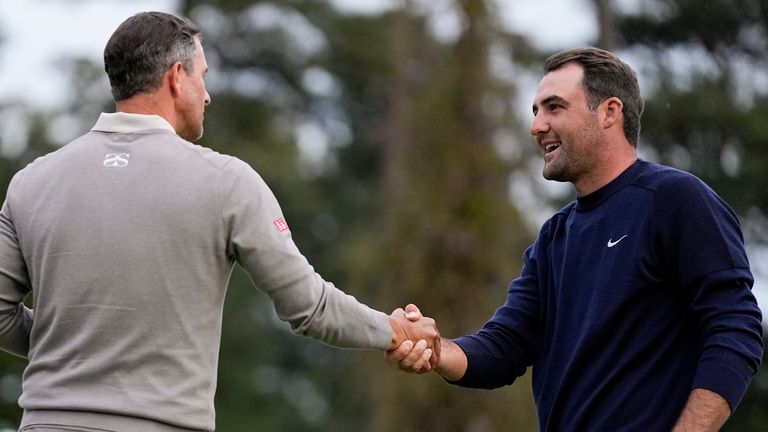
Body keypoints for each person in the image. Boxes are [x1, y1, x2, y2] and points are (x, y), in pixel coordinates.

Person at [0, 11, 440, 432]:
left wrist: (75, 345)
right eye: (203, 76)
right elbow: (310, 308)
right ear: (176, 77)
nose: (207, 95)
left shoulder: (31, 182)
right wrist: (394, 329)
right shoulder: (227, 182)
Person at [389, 47, 763, 431]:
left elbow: (736, 328)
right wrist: (436, 350)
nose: (537, 126)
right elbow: (505, 347)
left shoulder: (675, 200)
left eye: (554, 107)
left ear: (609, 113)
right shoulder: (554, 238)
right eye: (535, 111)